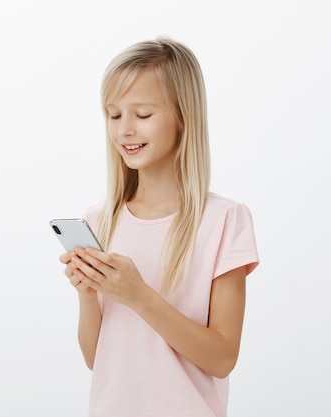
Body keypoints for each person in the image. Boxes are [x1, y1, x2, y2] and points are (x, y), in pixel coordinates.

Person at [59, 36, 259, 417]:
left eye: (143, 115)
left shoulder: (223, 221)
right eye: (114, 115)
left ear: (183, 116)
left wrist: (139, 295)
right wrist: (87, 294)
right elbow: (94, 359)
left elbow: (221, 358)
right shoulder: (100, 219)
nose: (124, 130)